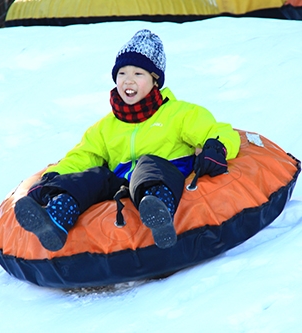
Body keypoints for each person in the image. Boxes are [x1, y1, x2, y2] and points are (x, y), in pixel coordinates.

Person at [14, 29, 241, 252]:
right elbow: (84, 155)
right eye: (122, 73)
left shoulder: (180, 114)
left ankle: (158, 214)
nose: (128, 81)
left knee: (148, 163)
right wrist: (56, 176)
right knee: (95, 177)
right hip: (122, 183)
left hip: (162, 175)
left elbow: (216, 130)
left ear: (155, 81)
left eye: (138, 74)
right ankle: (55, 219)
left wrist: (216, 147)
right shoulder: (106, 126)